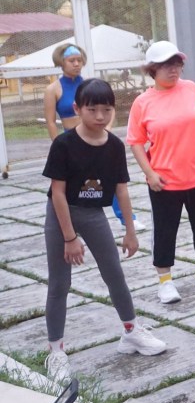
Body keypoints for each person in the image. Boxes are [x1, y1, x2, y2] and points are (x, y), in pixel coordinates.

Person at [42, 78, 166, 384]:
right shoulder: (63, 144)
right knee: (59, 283)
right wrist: (69, 238)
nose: (100, 116)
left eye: (106, 109)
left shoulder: (114, 146)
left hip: (93, 213)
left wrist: (130, 230)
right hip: (62, 214)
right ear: (77, 109)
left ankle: (131, 331)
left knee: (114, 274)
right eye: (92, 109)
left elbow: (121, 190)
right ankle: (56, 350)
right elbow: (57, 193)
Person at [127, 42, 195, 305]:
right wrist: (149, 173)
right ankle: (165, 280)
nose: (174, 70)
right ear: (152, 69)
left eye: (177, 64)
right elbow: (135, 142)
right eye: (167, 65)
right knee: (165, 230)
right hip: (165, 180)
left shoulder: (191, 89)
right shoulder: (143, 102)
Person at [44, 43, 145, 232]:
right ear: (61, 62)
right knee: (70, 186)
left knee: (111, 179)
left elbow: (108, 108)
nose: (76, 64)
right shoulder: (53, 89)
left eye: (79, 60)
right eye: (71, 60)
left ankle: (127, 218)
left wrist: (106, 129)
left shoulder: (90, 86)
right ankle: (70, 224)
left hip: (96, 139)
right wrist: (57, 145)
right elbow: (50, 121)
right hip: (70, 141)